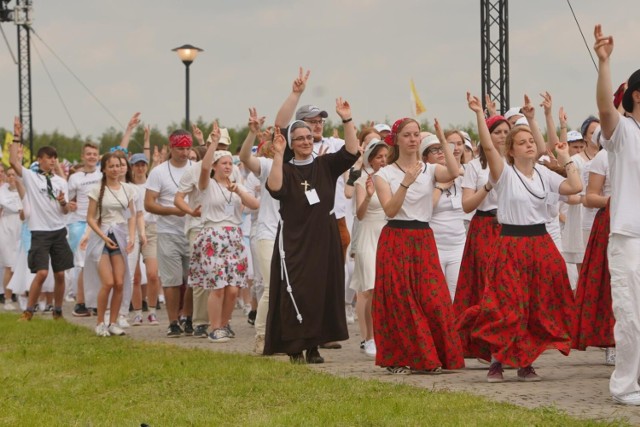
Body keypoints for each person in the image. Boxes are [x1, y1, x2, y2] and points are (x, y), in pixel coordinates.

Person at [463, 92, 581, 383]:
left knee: (536, 306)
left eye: (531, 141)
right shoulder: (504, 173)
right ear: (511, 150)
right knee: (506, 307)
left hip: (540, 243)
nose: (529, 145)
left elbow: (575, 186)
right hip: (511, 244)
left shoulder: (544, 173)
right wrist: (479, 113)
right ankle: (497, 361)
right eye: (523, 142)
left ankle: (525, 362)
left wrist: (567, 160)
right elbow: (489, 147)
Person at [264, 97, 358, 364]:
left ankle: (314, 345)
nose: (305, 141)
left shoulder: (325, 165)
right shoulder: (285, 169)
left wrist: (347, 119)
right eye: (300, 139)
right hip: (294, 238)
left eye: (308, 137)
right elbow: (275, 188)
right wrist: (279, 154)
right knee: (295, 288)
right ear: (292, 144)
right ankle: (295, 345)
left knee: (320, 290)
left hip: (323, 235)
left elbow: (352, 153)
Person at [372, 117, 464, 374]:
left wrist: (443, 140)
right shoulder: (384, 175)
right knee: (401, 301)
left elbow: (455, 172)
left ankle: (434, 354)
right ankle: (398, 358)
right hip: (397, 237)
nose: (413, 140)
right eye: (407, 135)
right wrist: (405, 182)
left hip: (423, 237)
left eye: (416, 135)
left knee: (434, 299)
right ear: (396, 140)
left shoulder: (430, 169)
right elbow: (390, 209)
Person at [594, 24, 640, 405]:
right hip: (628, 238)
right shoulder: (623, 132)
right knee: (630, 316)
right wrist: (604, 63)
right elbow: (604, 110)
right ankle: (625, 386)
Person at [190, 124, 259, 342]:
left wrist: (238, 189)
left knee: (232, 289)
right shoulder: (207, 184)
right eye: (224, 163)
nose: (228, 166)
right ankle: (214, 327)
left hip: (234, 236)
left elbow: (254, 204)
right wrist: (212, 143)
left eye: (230, 163)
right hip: (213, 235)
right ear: (215, 166)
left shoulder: (236, 185)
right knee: (217, 287)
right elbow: (203, 169)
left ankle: (225, 324)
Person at [9, 118, 74, 321]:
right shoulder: (31, 177)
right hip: (40, 232)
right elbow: (12, 161)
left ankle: (57, 310)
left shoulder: (61, 182)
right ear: (40, 159)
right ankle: (29, 310)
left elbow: (64, 212)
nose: (53, 161)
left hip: (58, 230)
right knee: (42, 273)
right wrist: (17, 136)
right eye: (49, 158)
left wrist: (64, 203)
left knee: (61, 274)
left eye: (55, 158)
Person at [571, 127, 615, 365]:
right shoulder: (604, 157)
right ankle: (611, 340)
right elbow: (590, 198)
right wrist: (615, 199)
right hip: (611, 219)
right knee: (610, 282)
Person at [145, 129, 193, 337]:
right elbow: (149, 204)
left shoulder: (197, 168)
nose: (184, 152)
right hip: (168, 232)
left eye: (187, 148)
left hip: (193, 232)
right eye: (180, 148)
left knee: (194, 279)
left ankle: (189, 317)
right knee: (172, 280)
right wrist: (175, 211)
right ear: (171, 147)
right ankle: (173, 321)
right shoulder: (159, 172)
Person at [85, 152, 136, 336]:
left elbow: (131, 217)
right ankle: (100, 322)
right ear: (104, 169)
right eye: (111, 166)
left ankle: (113, 322)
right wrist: (103, 236)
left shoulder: (128, 190)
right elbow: (90, 218)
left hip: (120, 235)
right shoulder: (96, 189)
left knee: (120, 283)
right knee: (108, 282)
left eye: (118, 166)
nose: (115, 169)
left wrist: (131, 238)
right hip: (102, 237)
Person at [349, 139, 387, 358]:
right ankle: (368, 338)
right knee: (369, 288)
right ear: (370, 159)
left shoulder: (391, 178)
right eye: (378, 157)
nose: (382, 160)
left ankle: (382, 335)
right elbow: (360, 214)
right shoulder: (362, 180)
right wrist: (370, 196)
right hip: (367, 235)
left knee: (382, 289)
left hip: (386, 233)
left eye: (385, 156)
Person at [424, 132, 467, 301]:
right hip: (435, 245)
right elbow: (425, 210)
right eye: (435, 150)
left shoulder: (462, 174)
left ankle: (454, 328)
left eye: (443, 149)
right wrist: (440, 187)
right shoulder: (424, 177)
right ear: (426, 157)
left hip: (458, 243)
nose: (441, 152)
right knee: (436, 296)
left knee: (456, 294)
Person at [0, 167, 24, 310]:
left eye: (13, 175)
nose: (11, 177)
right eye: (8, 175)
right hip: (6, 227)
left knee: (20, 264)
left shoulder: (23, 190)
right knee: (9, 265)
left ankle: (21, 296)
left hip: (22, 227)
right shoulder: (2, 191)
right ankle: (7, 298)